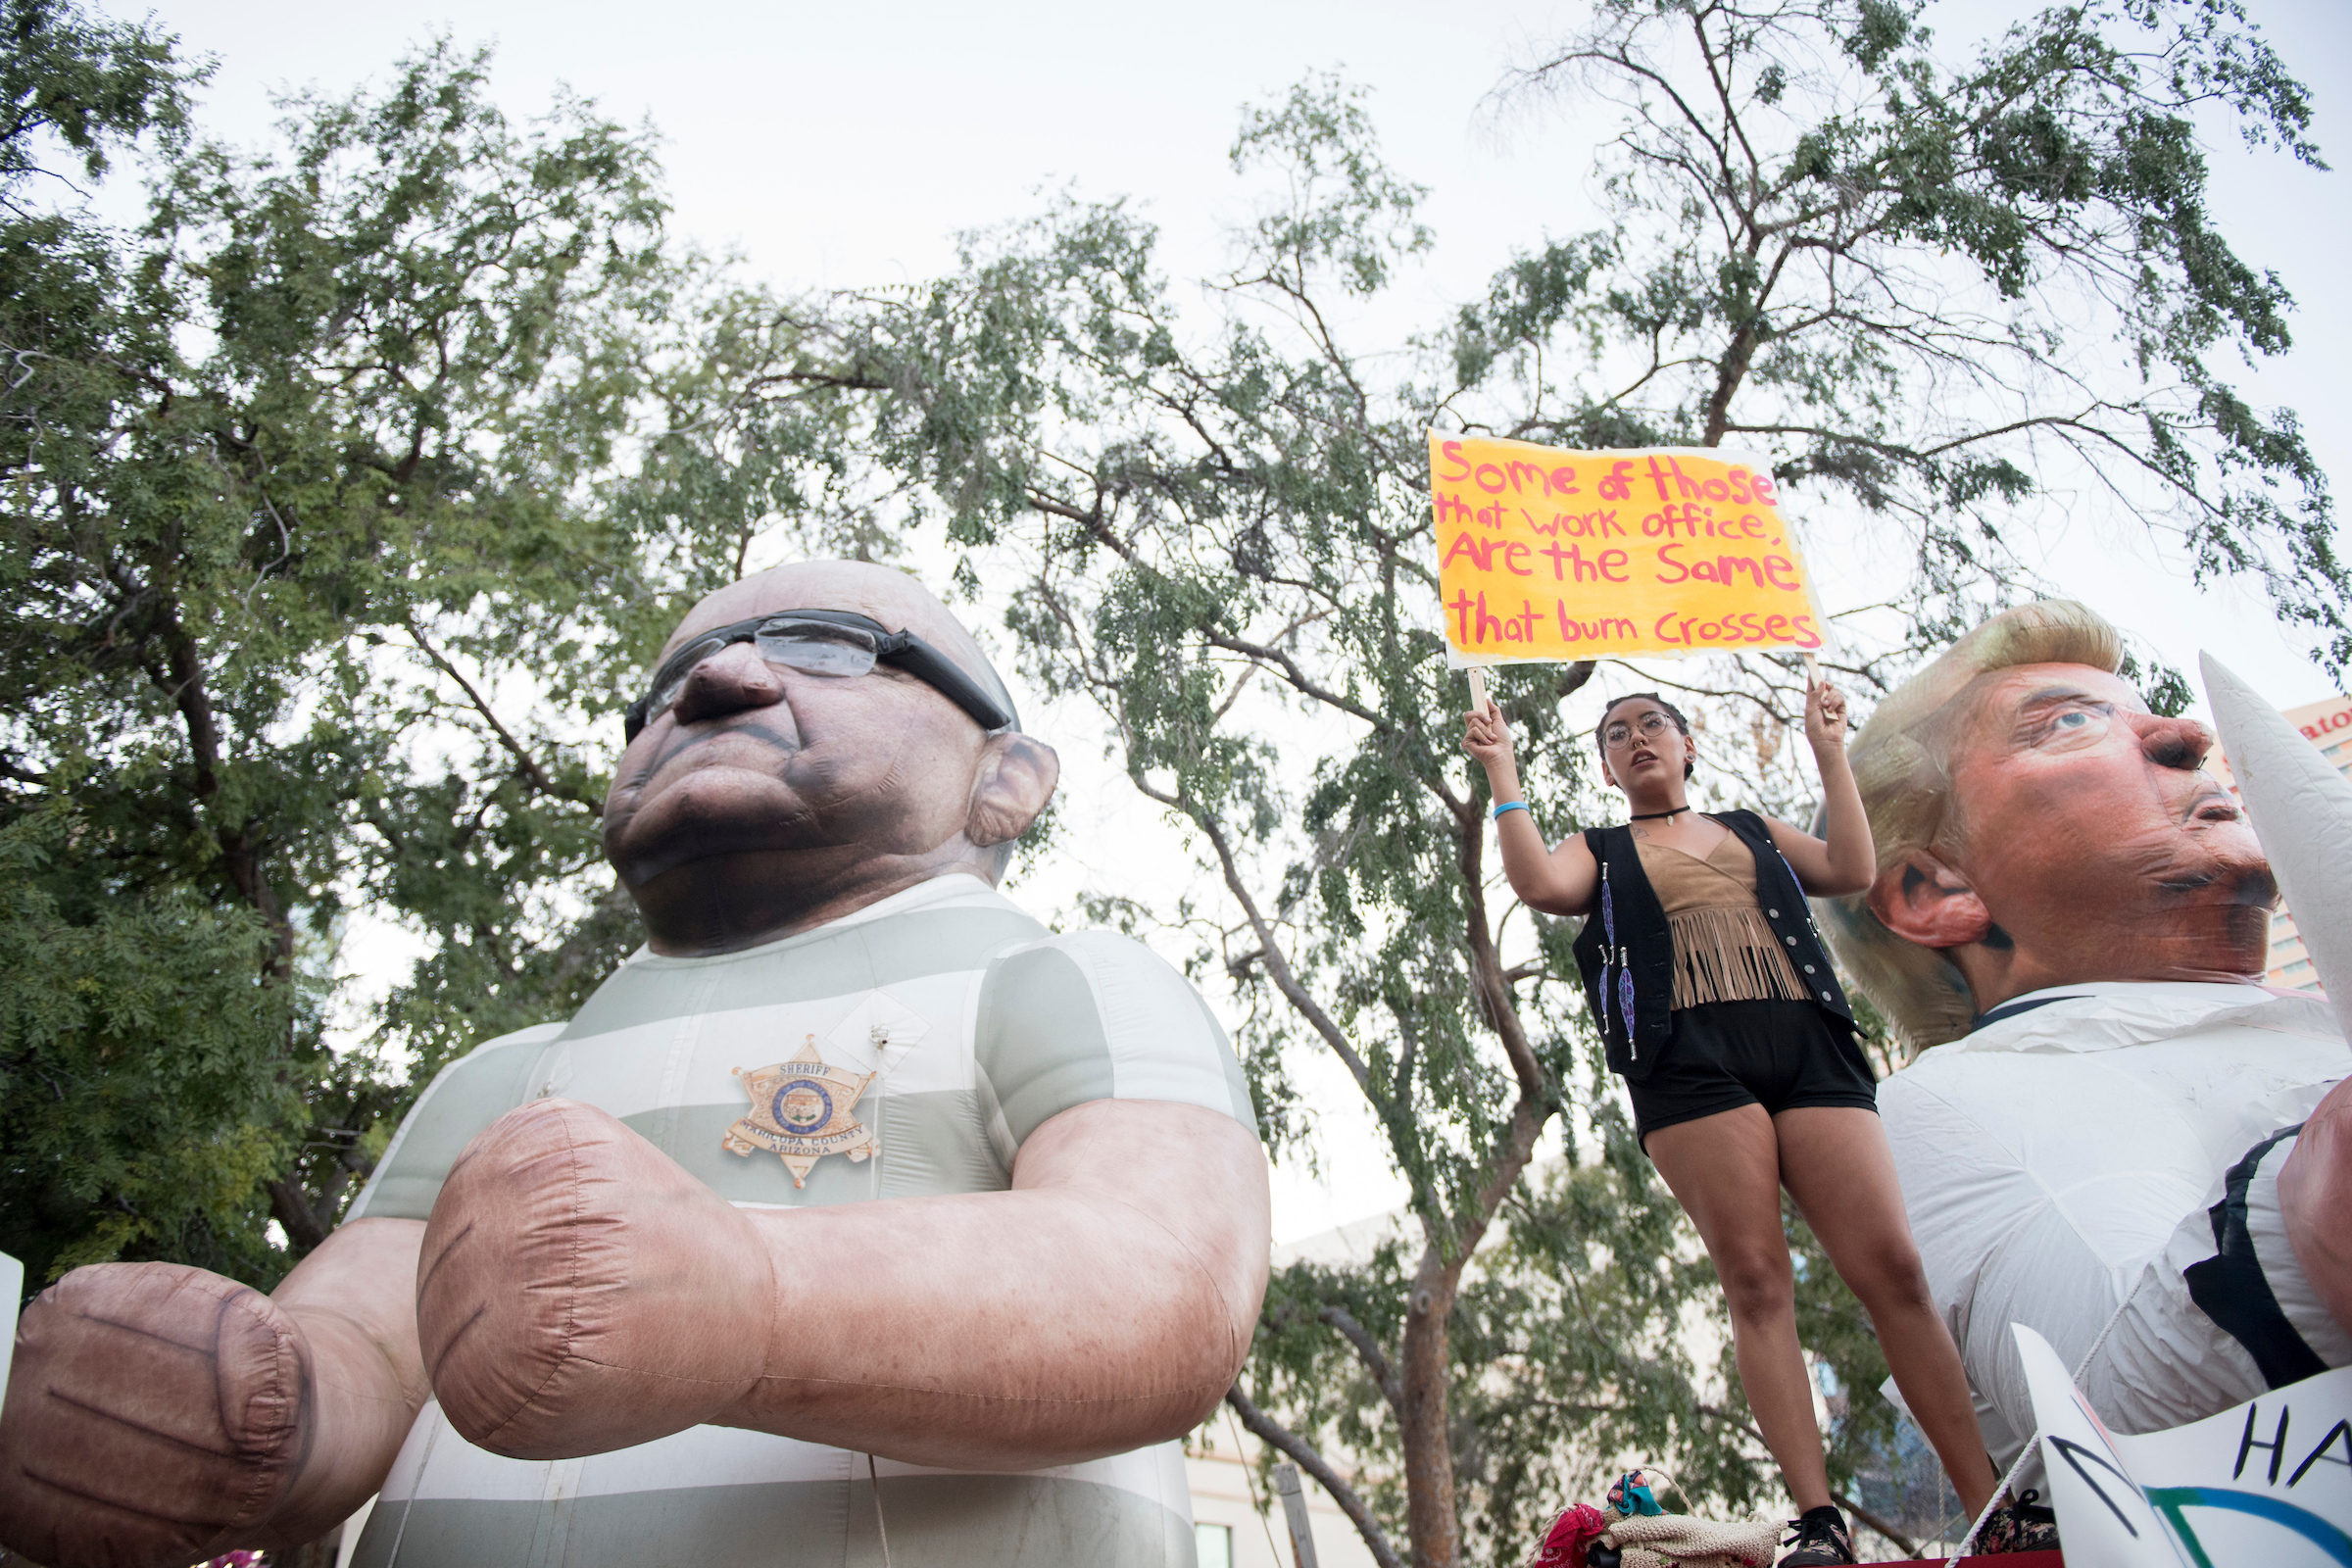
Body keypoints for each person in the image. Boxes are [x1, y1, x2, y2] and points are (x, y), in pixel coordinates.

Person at [0, 560, 1271, 1568]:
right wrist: (237, 1416)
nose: (715, 682)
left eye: (828, 644)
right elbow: (369, 1346)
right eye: (656, 695)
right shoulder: (509, 1073)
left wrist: (749, 1297)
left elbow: (1162, 1293)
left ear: (1008, 775)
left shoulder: (1061, 982)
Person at [1464, 679, 2026, 1563]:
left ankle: (1991, 1507)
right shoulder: (1601, 849)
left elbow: (1850, 869)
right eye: (1617, 734)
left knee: (1897, 1272)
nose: (1638, 738)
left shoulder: (1752, 830)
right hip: (1689, 1059)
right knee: (1758, 1279)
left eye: (1654, 724)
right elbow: (1537, 882)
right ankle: (1818, 1524)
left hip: (1807, 1040)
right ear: (1609, 769)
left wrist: (1829, 752)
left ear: (1689, 746)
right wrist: (1504, 773)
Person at [1818, 600, 2352, 1487]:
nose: (2183, 734)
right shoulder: (1948, 1101)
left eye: (2144, 709)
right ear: (1933, 887)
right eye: (2068, 723)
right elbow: (2123, 1408)